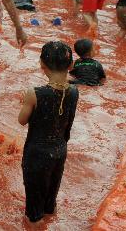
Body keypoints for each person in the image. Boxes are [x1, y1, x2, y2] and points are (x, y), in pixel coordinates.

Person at [18, 41, 79, 225]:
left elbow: (21, 120)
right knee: (49, 205)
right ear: (71, 65)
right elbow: (68, 125)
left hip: (36, 156)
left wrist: (25, 101)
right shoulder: (74, 91)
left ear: (42, 64)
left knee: (34, 214)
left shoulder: (34, 93)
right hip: (60, 152)